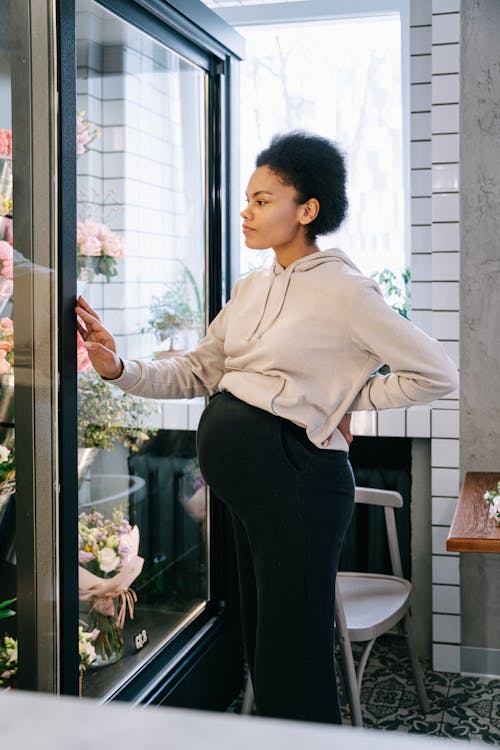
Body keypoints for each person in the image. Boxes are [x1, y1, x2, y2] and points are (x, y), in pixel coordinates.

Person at [76, 131, 458, 724]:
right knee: (262, 644)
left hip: (300, 480)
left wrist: (345, 399)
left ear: (307, 210)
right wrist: (119, 368)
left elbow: (435, 373)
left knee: (293, 655)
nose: (247, 211)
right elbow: (200, 369)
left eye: (263, 199)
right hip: (253, 491)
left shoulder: (345, 289)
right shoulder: (251, 287)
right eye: (248, 199)